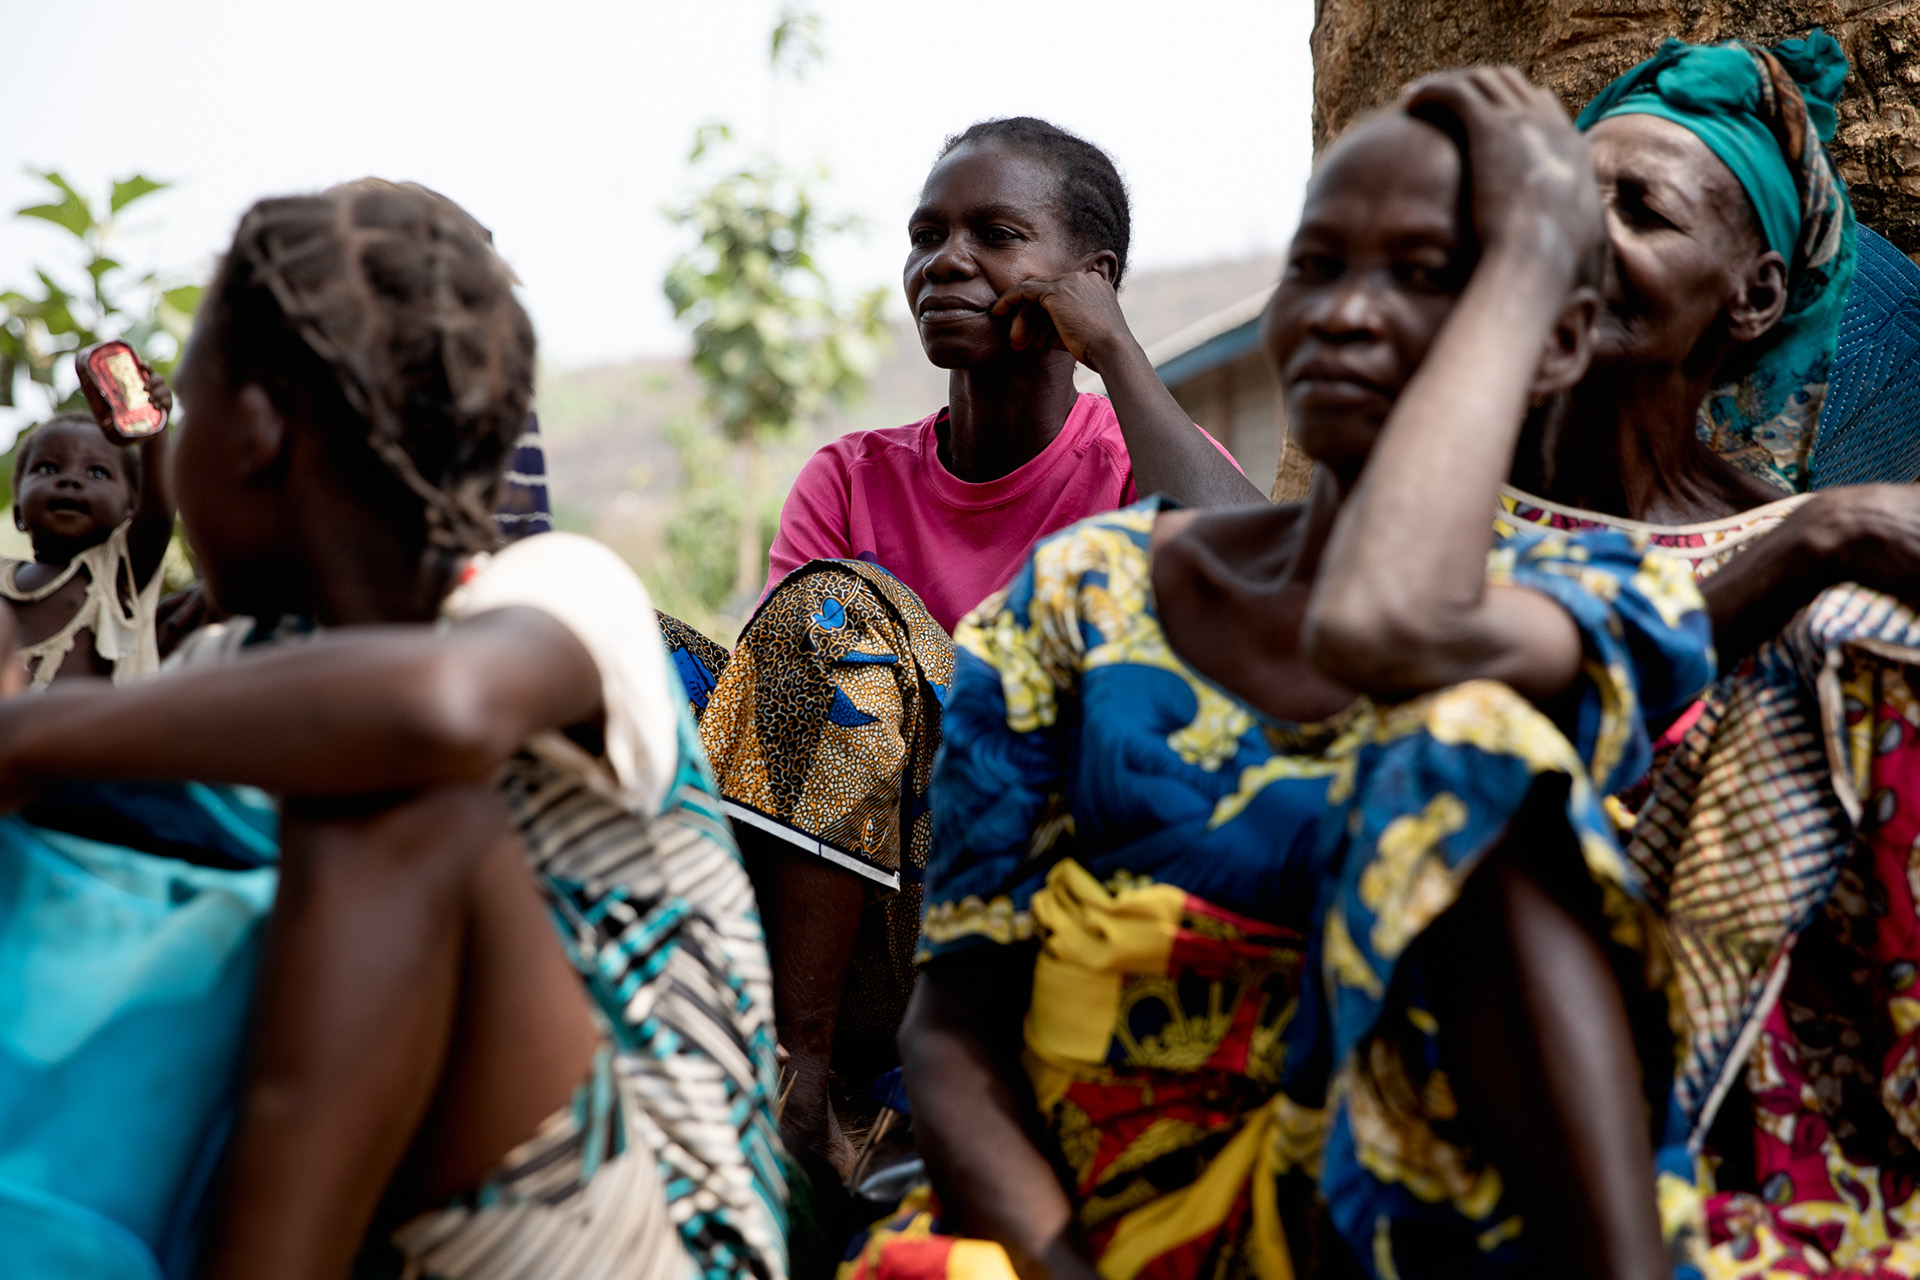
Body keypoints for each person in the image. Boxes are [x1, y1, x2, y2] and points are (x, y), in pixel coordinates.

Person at [855, 72, 1715, 1280]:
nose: (1350, 311)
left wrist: (1535, 255)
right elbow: (957, 1025)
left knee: (1469, 753)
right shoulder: (1081, 601)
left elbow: (1391, 625)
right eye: (1317, 265)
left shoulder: (1601, 599)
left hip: (1414, 1222)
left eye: (1424, 274)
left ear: (1550, 332)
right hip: (1092, 1217)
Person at [0, 180, 785, 1280]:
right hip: (401, 1225)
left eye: (194, 404)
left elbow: (435, 710)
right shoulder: (233, 664)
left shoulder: (556, 591)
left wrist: (37, 734)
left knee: (394, 795)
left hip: (639, 1234)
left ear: (259, 428)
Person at [663, 116, 1264, 1185]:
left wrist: (1115, 348)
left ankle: (798, 1092)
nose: (946, 260)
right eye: (926, 234)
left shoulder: (1136, 462)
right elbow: (775, 733)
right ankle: (716, 1050)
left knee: (837, 616)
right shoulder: (849, 476)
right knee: (621, 645)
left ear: (1093, 277)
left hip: (1028, 888)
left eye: (994, 233)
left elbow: (1264, 587)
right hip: (846, 909)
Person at [1491, 32, 1920, 1276]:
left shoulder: (1831, 547)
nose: (1588, 231)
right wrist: (1817, 544)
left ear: (1753, 297)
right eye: (1570, 195)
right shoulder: (1434, 518)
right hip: (1505, 1035)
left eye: (1644, 212)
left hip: (1793, 1105)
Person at [2, 387, 173, 686]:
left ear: (131, 510)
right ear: (18, 513)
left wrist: (153, 431)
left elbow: (159, 517)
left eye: (97, 473)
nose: (69, 480)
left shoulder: (121, 572)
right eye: (48, 468)